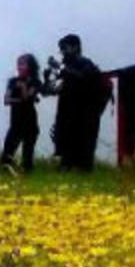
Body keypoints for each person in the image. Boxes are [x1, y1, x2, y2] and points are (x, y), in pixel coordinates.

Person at [46, 33, 107, 171]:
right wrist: (48, 78)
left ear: (75, 47)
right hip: (67, 115)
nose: (62, 52)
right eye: (61, 49)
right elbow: (51, 89)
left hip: (85, 116)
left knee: (84, 150)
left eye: (65, 48)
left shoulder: (86, 64)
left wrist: (60, 67)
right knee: (66, 148)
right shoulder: (65, 67)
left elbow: (82, 79)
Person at [1, 53, 41, 171]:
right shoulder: (12, 81)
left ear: (30, 66)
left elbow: (27, 97)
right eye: (18, 64)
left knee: (27, 156)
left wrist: (23, 87)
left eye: (23, 64)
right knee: (7, 155)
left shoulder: (35, 82)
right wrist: (20, 99)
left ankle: (26, 175)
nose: (19, 67)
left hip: (30, 123)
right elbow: (6, 100)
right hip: (15, 123)